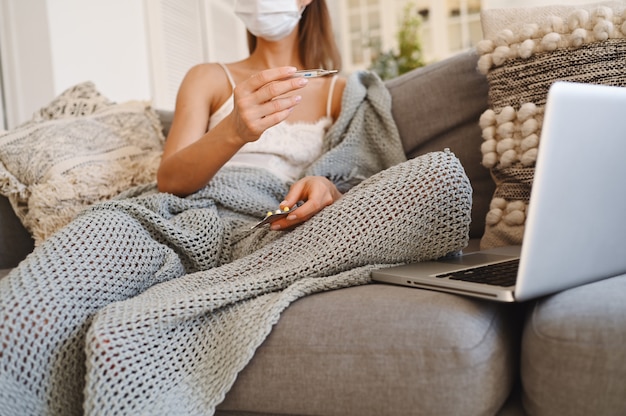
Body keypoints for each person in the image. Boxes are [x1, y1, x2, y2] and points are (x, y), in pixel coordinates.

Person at [0, 0, 472, 414]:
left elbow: (368, 179)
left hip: (274, 232)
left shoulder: (343, 92)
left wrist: (328, 189)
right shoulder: (208, 77)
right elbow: (171, 182)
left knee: (439, 180)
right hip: (176, 218)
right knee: (20, 310)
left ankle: (201, 293)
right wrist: (234, 131)